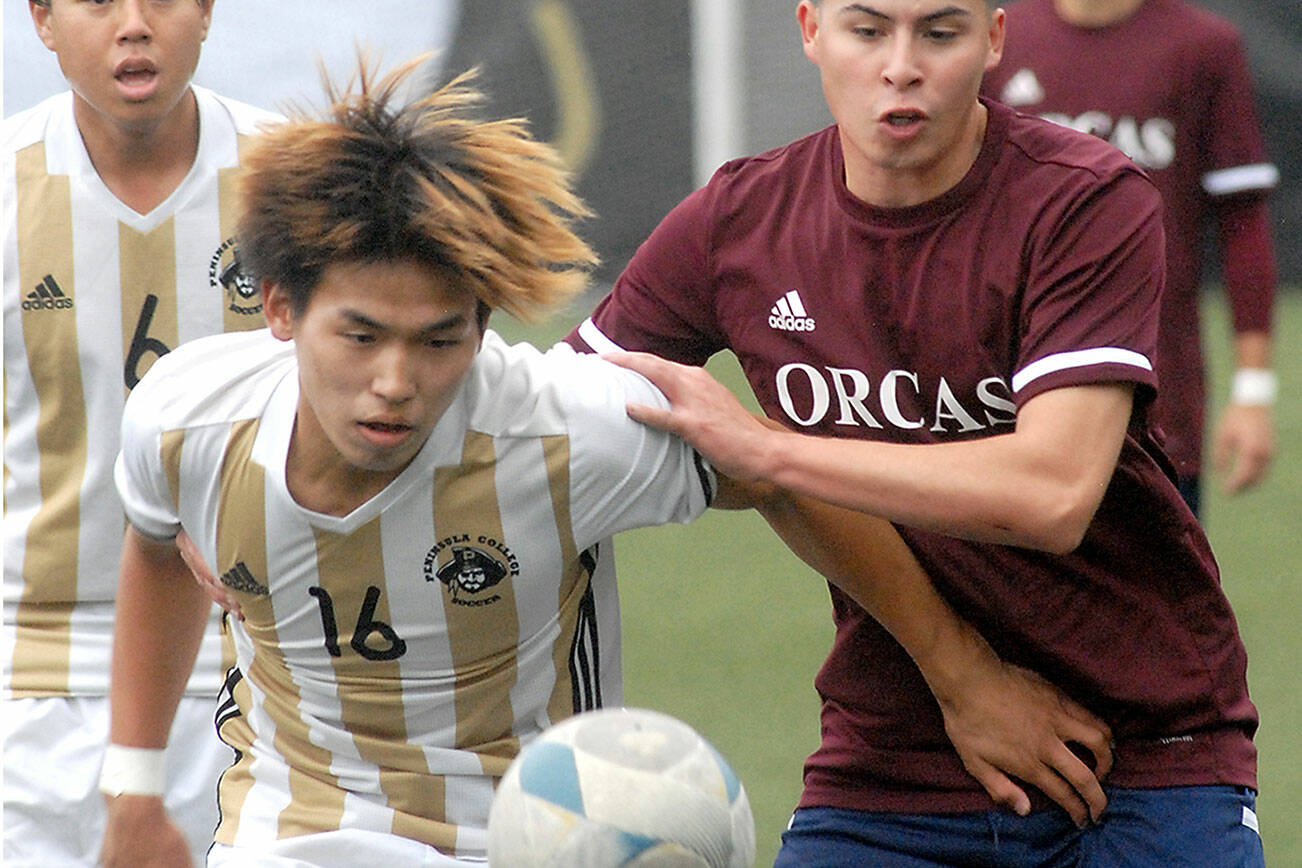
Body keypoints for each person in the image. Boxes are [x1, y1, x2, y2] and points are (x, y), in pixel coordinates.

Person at [100, 60, 1120, 866]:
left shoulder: (569, 429)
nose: (396, 382)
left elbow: (778, 475)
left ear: (485, 326)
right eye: (360, 337)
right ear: (281, 309)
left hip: (530, 840)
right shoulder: (187, 422)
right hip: (287, 834)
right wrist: (137, 787)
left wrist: (964, 676)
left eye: (440, 340)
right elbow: (153, 548)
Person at [569, 0, 1263, 864]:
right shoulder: (737, 221)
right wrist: (961, 674)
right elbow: (563, 413)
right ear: (811, 30)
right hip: (891, 757)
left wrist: (768, 452)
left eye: (939, 32)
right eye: (868, 31)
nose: (902, 66)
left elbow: (1052, 494)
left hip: (1138, 750)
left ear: (994, 39)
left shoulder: (1085, 198)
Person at [2, 1, 280, 864]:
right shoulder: (7, 186)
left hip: (253, 678)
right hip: (29, 679)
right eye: (97, 0)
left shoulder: (295, 182)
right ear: (43, 20)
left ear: (206, 10)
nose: (133, 24)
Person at [980, 0, 1280, 517]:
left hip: (1156, 412)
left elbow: (1243, 223)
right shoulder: (996, 39)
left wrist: (1253, 394)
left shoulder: (1204, 45)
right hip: (1000, 405)